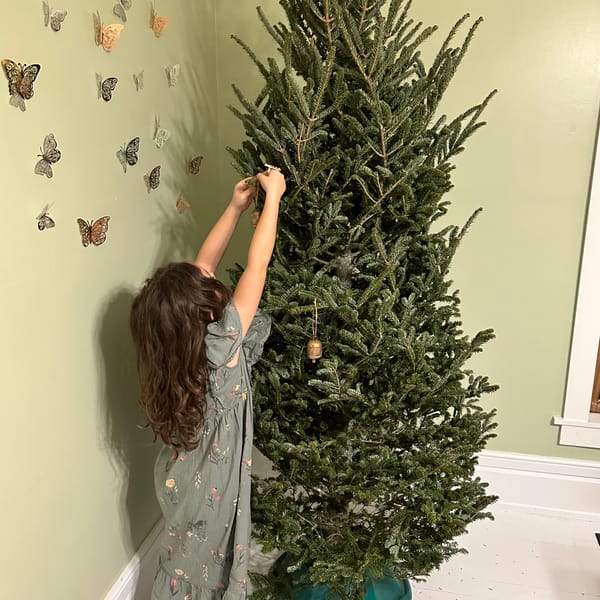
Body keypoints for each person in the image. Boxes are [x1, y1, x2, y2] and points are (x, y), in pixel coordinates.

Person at [129, 167, 286, 599]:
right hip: (213, 482)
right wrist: (273, 198)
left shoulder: (177, 353)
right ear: (202, 315)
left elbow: (204, 263)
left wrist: (235, 209)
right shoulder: (224, 345)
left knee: (185, 546)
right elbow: (258, 264)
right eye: (208, 287)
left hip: (184, 473)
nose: (212, 279)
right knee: (207, 555)